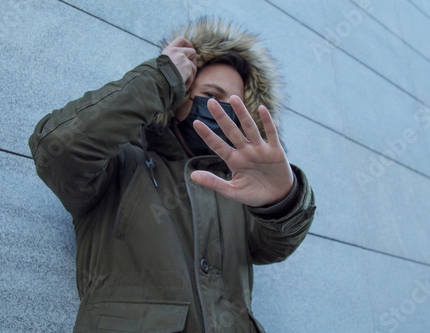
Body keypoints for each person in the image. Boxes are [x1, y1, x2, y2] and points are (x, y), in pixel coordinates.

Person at [29, 18, 316, 333]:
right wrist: (161, 78)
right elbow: (59, 147)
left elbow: (273, 246)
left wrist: (281, 201)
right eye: (211, 94)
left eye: (235, 106)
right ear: (179, 98)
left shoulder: (238, 190)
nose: (222, 111)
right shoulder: (120, 164)